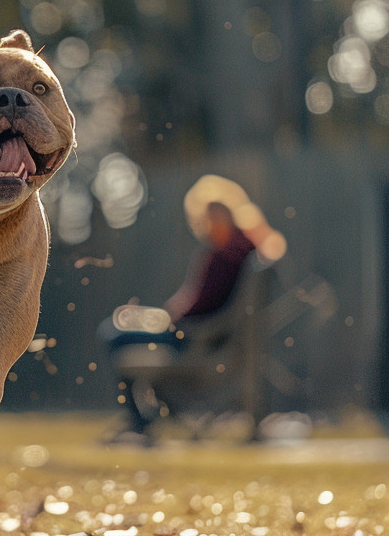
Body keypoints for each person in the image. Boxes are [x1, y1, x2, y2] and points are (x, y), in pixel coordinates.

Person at [101, 175, 286, 439]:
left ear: (223, 216)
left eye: (209, 218)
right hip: (200, 336)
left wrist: (167, 317)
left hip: (193, 340)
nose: (205, 225)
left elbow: (202, 306)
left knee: (112, 334)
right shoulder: (244, 250)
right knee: (118, 330)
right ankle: (146, 417)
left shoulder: (226, 255)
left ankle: (140, 421)